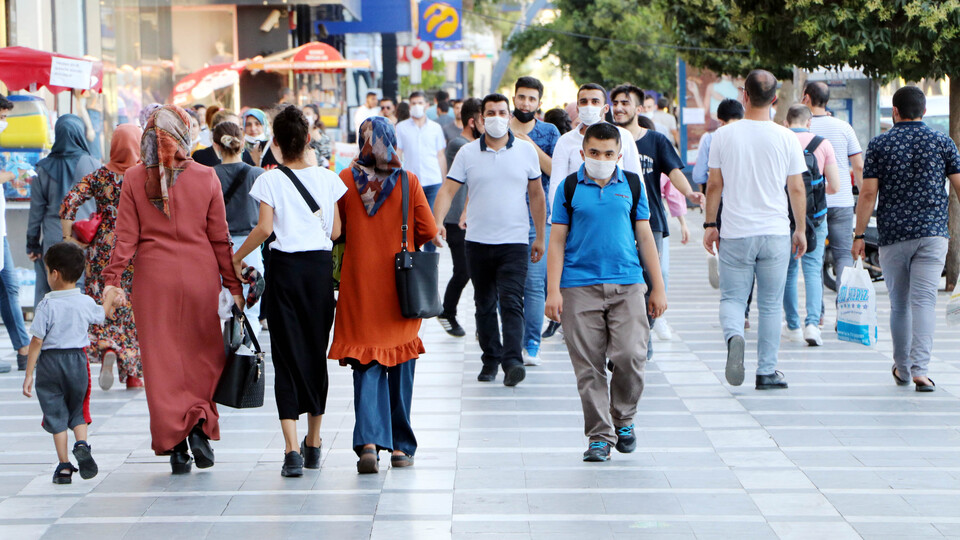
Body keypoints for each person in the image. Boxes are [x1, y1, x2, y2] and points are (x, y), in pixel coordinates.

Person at [102, 105, 243, 473]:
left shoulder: (134, 179)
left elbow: (125, 239)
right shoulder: (207, 177)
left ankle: (176, 445)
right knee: (202, 353)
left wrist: (112, 280)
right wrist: (234, 285)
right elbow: (220, 239)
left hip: (154, 280)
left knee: (162, 362)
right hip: (199, 276)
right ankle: (199, 421)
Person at [233, 106, 345, 477]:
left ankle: (292, 451)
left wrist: (236, 257)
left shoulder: (269, 180)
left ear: (276, 144)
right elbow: (334, 233)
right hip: (317, 274)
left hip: (284, 274)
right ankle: (314, 443)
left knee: (285, 356)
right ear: (309, 139)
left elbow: (265, 229)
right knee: (314, 353)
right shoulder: (329, 179)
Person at [545, 123, 665, 462]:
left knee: (631, 355)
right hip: (578, 286)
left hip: (628, 283)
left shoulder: (631, 184)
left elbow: (645, 238)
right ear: (583, 153)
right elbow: (556, 241)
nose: (601, 159)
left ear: (619, 155)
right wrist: (552, 291)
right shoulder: (569, 188)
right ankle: (599, 437)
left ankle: (623, 418)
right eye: (594, 153)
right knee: (589, 367)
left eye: (609, 154)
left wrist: (658, 287)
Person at [329, 116, 437, 474]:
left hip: (359, 286)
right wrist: (403, 241)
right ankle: (401, 448)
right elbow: (428, 229)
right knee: (401, 365)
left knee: (366, 365)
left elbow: (335, 233)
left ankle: (369, 444)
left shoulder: (345, 180)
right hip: (399, 287)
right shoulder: (407, 181)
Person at [703, 69, 808, 391]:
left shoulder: (723, 136)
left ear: (743, 95)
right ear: (775, 99)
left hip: (735, 231)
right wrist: (800, 229)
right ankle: (766, 371)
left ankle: (735, 334)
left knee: (733, 298)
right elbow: (797, 189)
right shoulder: (787, 136)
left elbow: (714, 185)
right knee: (770, 303)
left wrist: (710, 224)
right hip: (775, 231)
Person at [432, 93, 547, 387]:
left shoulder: (525, 151)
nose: (496, 118)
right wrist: (436, 223)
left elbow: (537, 195)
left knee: (511, 303)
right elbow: (447, 190)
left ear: (509, 117)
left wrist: (541, 237)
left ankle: (512, 362)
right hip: (478, 242)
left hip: (515, 242)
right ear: (481, 119)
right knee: (483, 304)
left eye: (501, 112)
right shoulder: (468, 153)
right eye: (490, 113)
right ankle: (490, 360)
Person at [854, 85, 960, 392]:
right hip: (933, 234)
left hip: (894, 235)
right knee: (924, 301)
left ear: (895, 113)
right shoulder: (943, 142)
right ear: (924, 111)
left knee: (900, 304)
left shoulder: (879, 145)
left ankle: (902, 368)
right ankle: (920, 370)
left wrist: (860, 234)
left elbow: (869, 192)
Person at [611, 84, 705, 345]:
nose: (619, 108)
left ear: (639, 109)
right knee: (623, 283)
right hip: (614, 223)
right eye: (615, 102)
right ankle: (633, 341)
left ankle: (644, 334)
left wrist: (690, 193)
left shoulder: (656, 140)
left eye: (625, 103)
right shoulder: (607, 139)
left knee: (652, 281)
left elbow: (673, 171)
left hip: (649, 221)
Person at [60, 123, 144, 391]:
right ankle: (132, 374)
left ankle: (107, 345)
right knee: (130, 308)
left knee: (103, 298)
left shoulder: (98, 176)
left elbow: (68, 203)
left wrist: (68, 240)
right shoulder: (143, 177)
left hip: (101, 249)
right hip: (134, 248)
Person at [22, 242, 103, 485]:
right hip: (77, 361)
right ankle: (82, 444)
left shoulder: (47, 305)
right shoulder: (86, 302)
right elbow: (102, 315)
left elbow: (36, 341)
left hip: (50, 364)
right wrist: (110, 299)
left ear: (54, 274)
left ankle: (65, 466)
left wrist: (28, 374)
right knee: (77, 410)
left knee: (56, 414)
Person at [509, 77, 561, 366]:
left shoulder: (549, 131)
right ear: (513, 98)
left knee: (533, 283)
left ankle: (531, 343)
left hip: (538, 219)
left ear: (539, 103)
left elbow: (554, 170)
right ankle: (509, 342)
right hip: (504, 218)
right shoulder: (500, 130)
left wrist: (528, 145)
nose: (526, 103)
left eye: (531, 99)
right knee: (506, 284)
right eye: (521, 97)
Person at [782, 104, 841, 346]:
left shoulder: (781, 140)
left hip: (784, 217)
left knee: (788, 272)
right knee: (813, 270)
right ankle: (812, 325)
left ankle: (793, 325)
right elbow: (835, 185)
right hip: (816, 217)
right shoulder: (822, 144)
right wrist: (815, 193)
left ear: (787, 122)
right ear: (809, 122)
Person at [28, 114, 100, 306]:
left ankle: (46, 335)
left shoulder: (42, 169)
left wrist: (32, 244)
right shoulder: (94, 165)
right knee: (81, 290)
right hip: (83, 239)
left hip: (53, 239)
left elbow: (35, 211)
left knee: (48, 295)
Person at [802, 81, 864, 291]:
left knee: (813, 259)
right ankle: (843, 314)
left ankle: (816, 314)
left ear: (806, 98)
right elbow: (858, 166)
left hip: (811, 203)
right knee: (843, 257)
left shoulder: (799, 129)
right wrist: (863, 196)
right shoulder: (844, 127)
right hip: (842, 203)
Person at [437, 97, 483, 338]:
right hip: (457, 218)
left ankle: (478, 321)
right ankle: (447, 312)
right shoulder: (459, 144)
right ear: (472, 121)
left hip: (472, 218)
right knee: (464, 270)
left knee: (472, 271)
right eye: (484, 118)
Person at [213, 121, 266, 323]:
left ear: (216, 145)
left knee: (219, 310)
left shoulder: (209, 175)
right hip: (250, 247)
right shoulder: (257, 175)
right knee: (250, 311)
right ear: (242, 143)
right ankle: (247, 353)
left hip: (217, 249)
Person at [0, 96, 31, 373]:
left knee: (9, 287)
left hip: (1, 230)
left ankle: (22, 348)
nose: (4, 123)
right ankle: (22, 347)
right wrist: (12, 174)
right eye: (1, 117)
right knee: (7, 287)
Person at [396, 91, 447, 253]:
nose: (417, 106)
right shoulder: (401, 128)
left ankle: (430, 258)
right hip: (410, 182)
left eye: (420, 102)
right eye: (413, 103)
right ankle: (413, 254)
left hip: (432, 180)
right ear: (409, 106)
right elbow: (398, 154)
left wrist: (444, 180)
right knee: (410, 221)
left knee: (431, 222)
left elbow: (440, 155)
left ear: (427, 105)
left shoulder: (436, 128)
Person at [693, 99, 744, 188]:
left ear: (721, 121)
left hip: (720, 196)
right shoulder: (751, 136)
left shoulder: (710, 138)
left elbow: (698, 176)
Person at [192, 109, 256, 167]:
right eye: (230, 127)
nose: (234, 131)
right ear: (216, 128)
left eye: (238, 127)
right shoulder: (199, 156)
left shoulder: (244, 154)